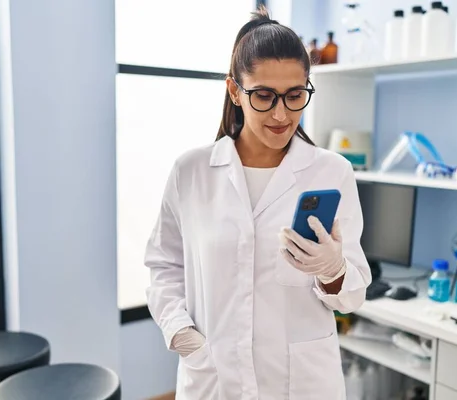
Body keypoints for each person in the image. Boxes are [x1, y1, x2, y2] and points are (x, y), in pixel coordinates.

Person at [145, 6, 371, 399]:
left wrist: (333, 269)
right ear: (234, 90)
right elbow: (164, 265)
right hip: (214, 379)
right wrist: (178, 329)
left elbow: (352, 296)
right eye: (264, 96)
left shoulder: (332, 172)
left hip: (300, 385)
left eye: (295, 95)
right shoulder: (192, 171)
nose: (282, 114)